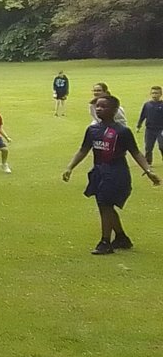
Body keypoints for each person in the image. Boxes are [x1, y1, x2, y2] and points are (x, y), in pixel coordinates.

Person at [63, 95, 160, 254]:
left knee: (105, 205)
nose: (99, 109)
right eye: (97, 106)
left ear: (114, 110)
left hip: (116, 173)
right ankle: (121, 238)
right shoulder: (92, 130)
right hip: (99, 172)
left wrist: (148, 170)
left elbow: (135, 152)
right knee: (105, 205)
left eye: (103, 106)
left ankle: (105, 242)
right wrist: (70, 167)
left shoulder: (122, 131)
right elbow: (83, 150)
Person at [138, 86, 163, 165]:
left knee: (162, 146)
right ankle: (148, 162)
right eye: (153, 93)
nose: (154, 95)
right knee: (148, 147)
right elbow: (142, 115)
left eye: (156, 93)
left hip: (161, 129)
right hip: (149, 129)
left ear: (160, 94)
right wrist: (139, 125)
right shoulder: (147, 105)